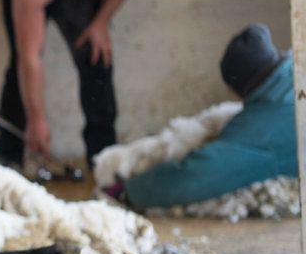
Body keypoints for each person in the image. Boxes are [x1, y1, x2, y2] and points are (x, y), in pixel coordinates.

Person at [0, 0, 144, 169]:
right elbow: (30, 57)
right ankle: (10, 158)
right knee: (18, 66)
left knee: (97, 57)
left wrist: (100, 21)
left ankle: (103, 160)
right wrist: (37, 119)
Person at [117, 23, 297, 209]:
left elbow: (198, 176)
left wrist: (130, 191)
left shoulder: (259, 129)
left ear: (238, 89)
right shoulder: (296, 71)